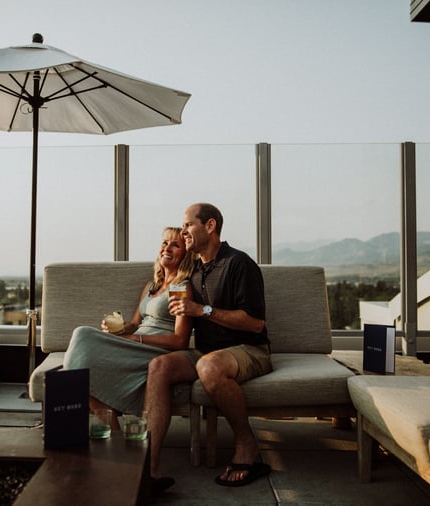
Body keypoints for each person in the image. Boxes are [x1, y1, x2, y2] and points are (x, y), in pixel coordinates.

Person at [145, 202, 273, 489]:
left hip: (250, 349)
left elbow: (255, 324)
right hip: (206, 351)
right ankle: (148, 468)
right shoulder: (195, 272)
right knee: (159, 366)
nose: (184, 231)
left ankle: (247, 445)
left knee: (209, 367)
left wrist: (201, 310)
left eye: (189, 225)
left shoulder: (239, 263)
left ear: (210, 226)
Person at [62, 226, 196, 432]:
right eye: (164, 243)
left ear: (185, 255)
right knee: (82, 378)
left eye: (175, 245)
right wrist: (122, 328)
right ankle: (117, 441)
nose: (167, 248)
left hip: (155, 350)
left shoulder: (180, 287)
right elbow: (135, 323)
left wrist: (136, 339)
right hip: (134, 343)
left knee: (82, 333)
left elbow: (180, 340)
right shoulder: (152, 285)